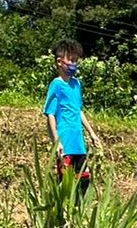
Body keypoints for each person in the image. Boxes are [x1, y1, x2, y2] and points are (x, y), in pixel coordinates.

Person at [43, 38, 100, 197]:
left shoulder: (77, 84)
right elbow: (51, 115)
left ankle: (78, 212)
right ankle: (62, 213)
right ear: (60, 62)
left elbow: (78, 110)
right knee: (65, 181)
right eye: (71, 60)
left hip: (79, 143)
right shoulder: (56, 85)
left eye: (76, 60)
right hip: (65, 142)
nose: (74, 63)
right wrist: (57, 141)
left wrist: (92, 133)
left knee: (84, 179)